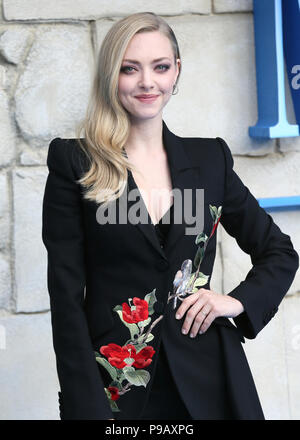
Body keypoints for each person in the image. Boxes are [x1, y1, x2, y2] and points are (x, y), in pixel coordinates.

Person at [42, 12, 299, 420]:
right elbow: (66, 299)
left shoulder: (209, 160)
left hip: (212, 381)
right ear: (111, 75)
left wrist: (234, 302)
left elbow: (280, 251)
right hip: (116, 390)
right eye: (130, 69)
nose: (148, 82)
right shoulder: (75, 163)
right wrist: (84, 404)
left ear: (176, 71)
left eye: (160, 67)